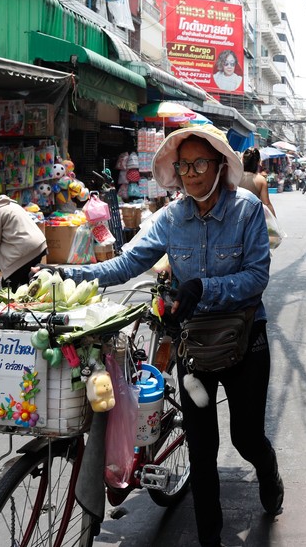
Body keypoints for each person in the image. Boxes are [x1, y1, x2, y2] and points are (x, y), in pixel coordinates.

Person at [62, 124, 280, 546]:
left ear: (219, 165)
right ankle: (209, 539)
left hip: (245, 341)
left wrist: (204, 288)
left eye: (200, 163)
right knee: (201, 451)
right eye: (183, 166)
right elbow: (126, 264)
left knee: (246, 437)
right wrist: (69, 273)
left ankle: (268, 472)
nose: (192, 173)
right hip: (193, 345)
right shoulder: (170, 217)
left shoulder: (247, 210)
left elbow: (257, 276)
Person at [240, 147, 275, 216]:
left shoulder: (234, 176)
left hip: (234, 217)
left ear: (243, 160)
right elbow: (266, 203)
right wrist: (274, 221)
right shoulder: (261, 180)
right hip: (253, 219)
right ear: (259, 162)